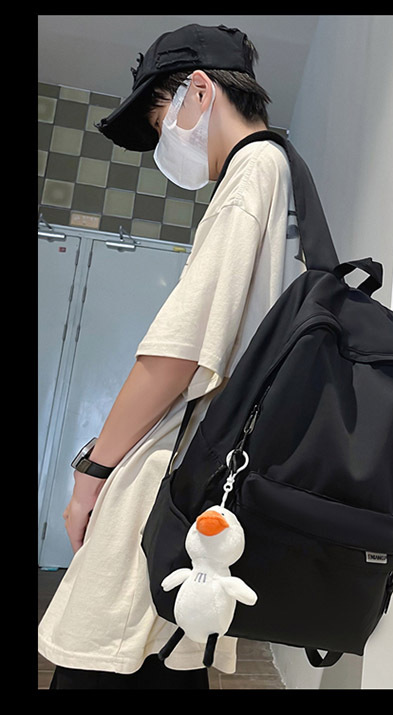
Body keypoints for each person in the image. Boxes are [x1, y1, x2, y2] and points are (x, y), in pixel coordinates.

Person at [38, 23, 305, 689]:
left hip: (166, 487)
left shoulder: (252, 173)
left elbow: (178, 355)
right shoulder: (280, 178)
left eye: (161, 124)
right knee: (163, 658)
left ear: (200, 91)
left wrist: (92, 473)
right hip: (202, 491)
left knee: (102, 655)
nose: (166, 145)